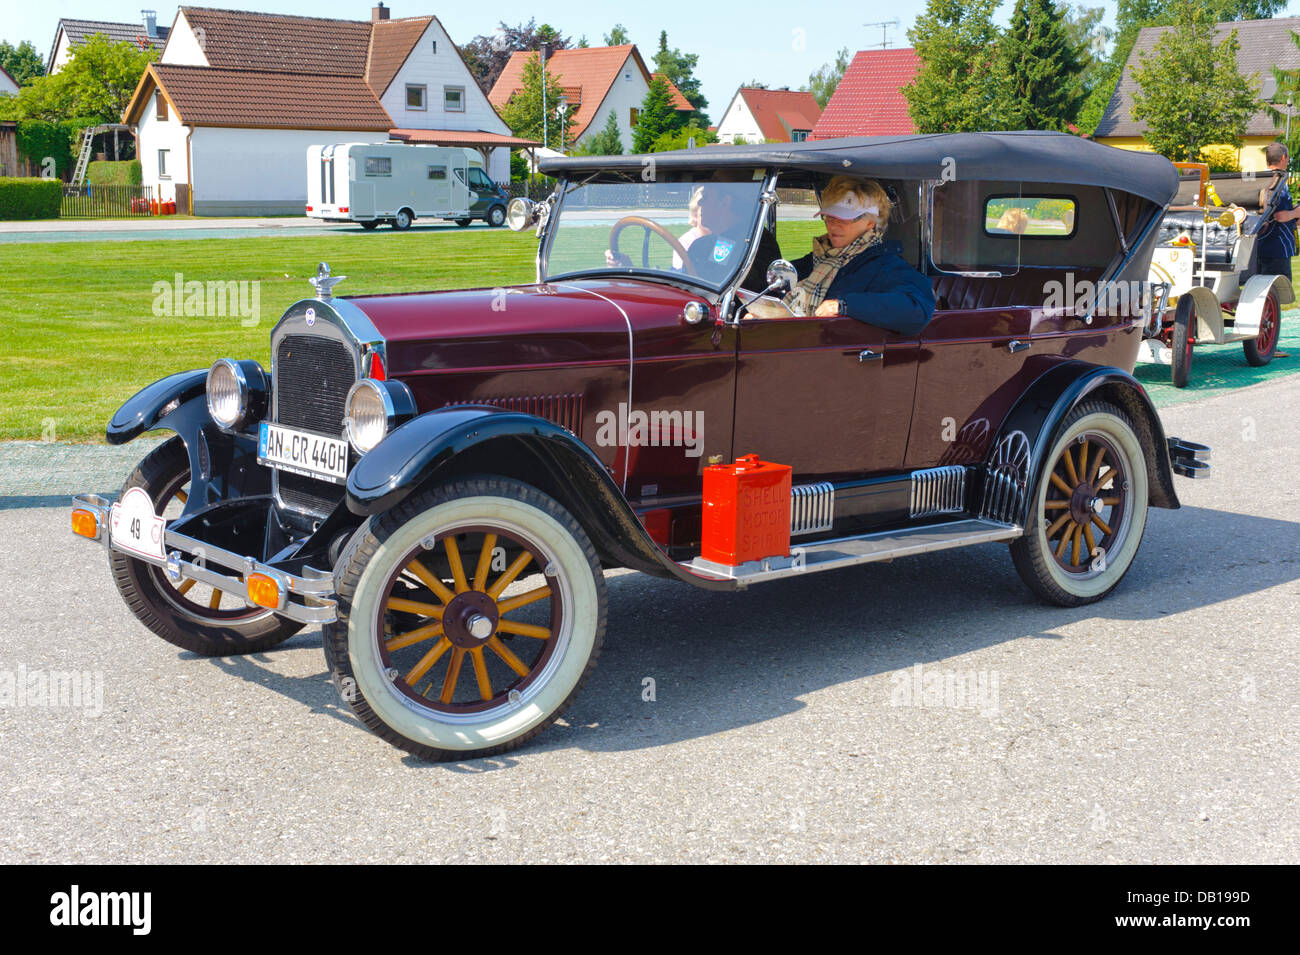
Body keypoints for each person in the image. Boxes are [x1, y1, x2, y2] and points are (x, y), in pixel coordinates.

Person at [783, 175, 935, 336]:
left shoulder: (885, 265)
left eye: (845, 218)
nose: (834, 224)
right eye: (830, 216)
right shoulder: (819, 259)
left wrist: (844, 306)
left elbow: (917, 309)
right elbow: (782, 284)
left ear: (870, 223)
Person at [606, 179, 781, 292]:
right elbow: (683, 280)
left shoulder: (750, 242)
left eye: (705, 197)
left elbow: (708, 286)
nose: (700, 203)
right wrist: (631, 270)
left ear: (725, 202)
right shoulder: (707, 243)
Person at [1256, 141, 1299, 281]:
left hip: (1257, 247)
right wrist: (1294, 213)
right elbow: (1281, 215)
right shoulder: (1278, 182)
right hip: (1277, 247)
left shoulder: (1260, 180)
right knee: (1276, 291)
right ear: (1283, 158)